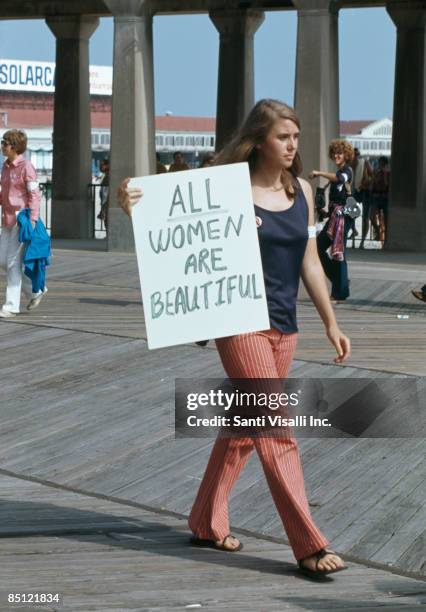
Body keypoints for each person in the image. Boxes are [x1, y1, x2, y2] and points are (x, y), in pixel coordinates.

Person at [117, 99, 351, 578]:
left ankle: (206, 519)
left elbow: (309, 261)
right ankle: (308, 543)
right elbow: (173, 222)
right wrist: (132, 203)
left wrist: (331, 322)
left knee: (245, 429)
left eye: (296, 137)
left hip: (285, 328)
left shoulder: (303, 190)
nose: (292, 146)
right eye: (283, 137)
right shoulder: (225, 189)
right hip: (239, 322)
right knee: (276, 428)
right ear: (259, 140)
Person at [0, 129, 47, 317]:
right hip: (7, 220)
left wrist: (33, 220)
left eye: (5, 143)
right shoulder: (5, 166)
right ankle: (36, 290)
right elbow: (5, 193)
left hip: (22, 220)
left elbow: (34, 195)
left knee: (12, 263)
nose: (2, 146)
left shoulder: (26, 166)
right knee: (3, 261)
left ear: (14, 146)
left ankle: (11, 306)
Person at [310, 140, 355, 304]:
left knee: (339, 253)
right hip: (335, 217)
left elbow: (339, 179)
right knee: (318, 248)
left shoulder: (347, 171)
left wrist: (319, 173)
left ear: (346, 155)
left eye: (340, 153)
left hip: (343, 218)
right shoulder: (339, 172)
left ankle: (340, 293)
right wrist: (325, 212)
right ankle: (339, 281)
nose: (337, 155)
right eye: (335, 153)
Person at [351, 148, 373, 249]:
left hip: (365, 191)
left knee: (365, 218)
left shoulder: (364, 162)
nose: (354, 157)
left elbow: (373, 175)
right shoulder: (349, 164)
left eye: (356, 155)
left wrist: (365, 184)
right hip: (354, 191)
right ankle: (354, 232)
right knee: (350, 215)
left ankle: (362, 242)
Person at [370, 156, 390, 245]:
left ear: (385, 164)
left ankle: (385, 240)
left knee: (386, 221)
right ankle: (377, 231)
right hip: (376, 197)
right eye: (379, 163)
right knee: (372, 216)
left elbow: (386, 185)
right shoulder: (376, 172)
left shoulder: (388, 172)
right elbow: (373, 184)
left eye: (382, 164)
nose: (380, 165)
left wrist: (385, 174)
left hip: (385, 197)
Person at [97, 158, 110, 229]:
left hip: (106, 199)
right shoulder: (105, 174)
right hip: (104, 198)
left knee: (106, 217)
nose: (102, 166)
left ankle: (108, 233)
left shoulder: (108, 174)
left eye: (103, 165)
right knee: (106, 217)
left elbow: (104, 184)